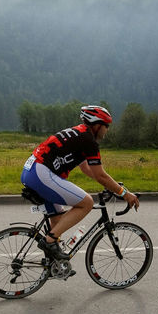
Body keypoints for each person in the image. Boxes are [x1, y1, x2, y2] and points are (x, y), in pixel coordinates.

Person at [21, 105, 139, 260]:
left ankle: (52, 263)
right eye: (106, 126)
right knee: (86, 203)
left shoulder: (80, 133)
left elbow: (87, 169)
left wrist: (113, 186)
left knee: (57, 219)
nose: (107, 130)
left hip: (32, 171)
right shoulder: (88, 140)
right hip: (41, 173)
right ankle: (49, 242)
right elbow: (100, 175)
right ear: (97, 125)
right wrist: (124, 193)